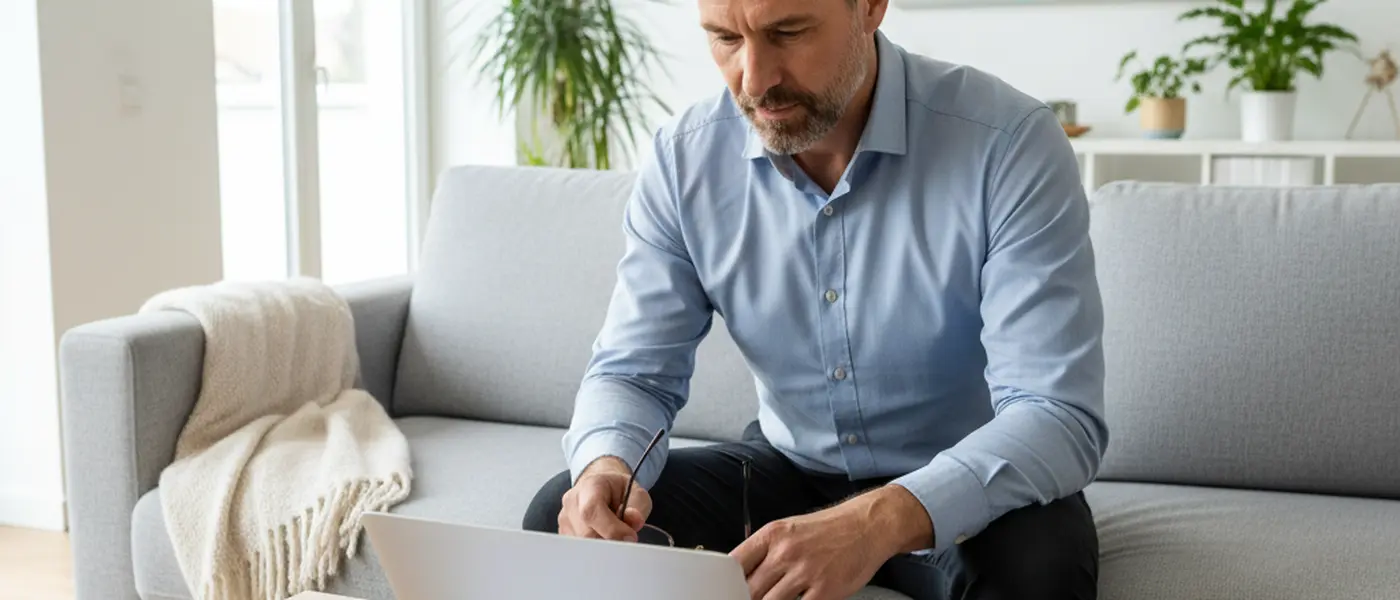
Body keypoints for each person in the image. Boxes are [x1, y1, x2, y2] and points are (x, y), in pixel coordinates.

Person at [522, 0, 1108, 598]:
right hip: (787, 468)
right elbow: (634, 373)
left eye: (788, 32)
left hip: (964, 483)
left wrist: (872, 522)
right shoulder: (684, 160)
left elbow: (1054, 411)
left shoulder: (1009, 143)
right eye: (726, 39)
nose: (754, 80)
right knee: (559, 520)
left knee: (1042, 574)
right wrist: (606, 467)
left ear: (870, 8)